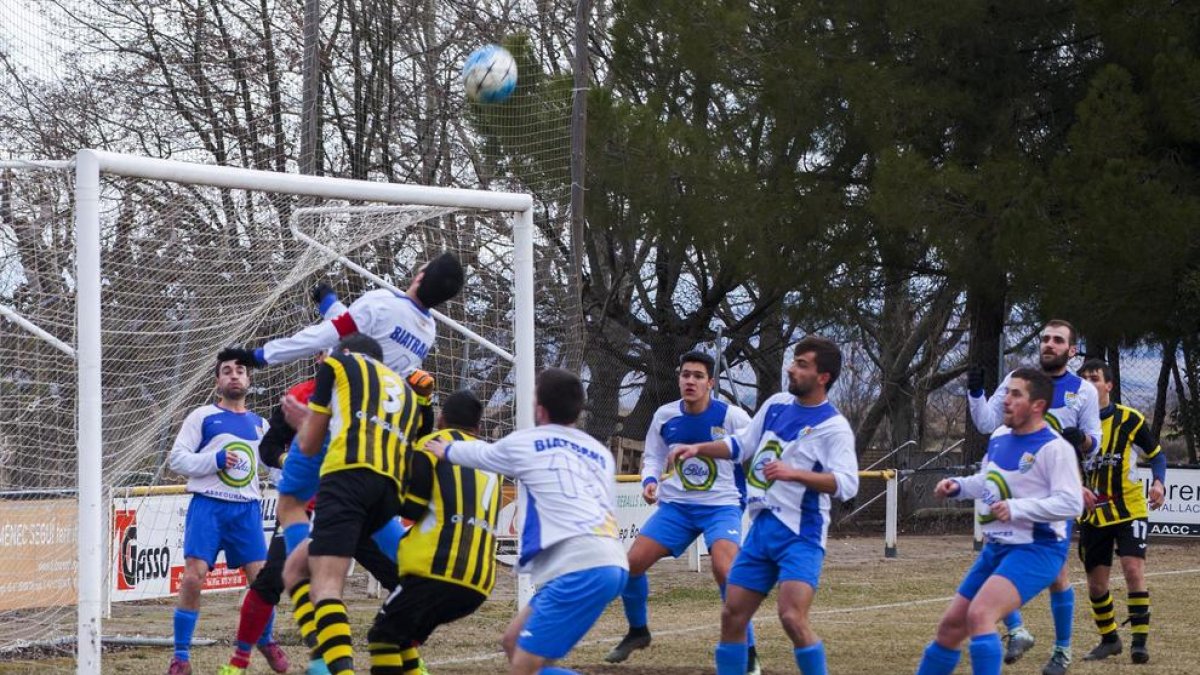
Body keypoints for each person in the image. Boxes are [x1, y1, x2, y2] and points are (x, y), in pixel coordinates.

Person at [668, 335, 860, 675]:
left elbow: (847, 484)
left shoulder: (834, 427)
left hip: (800, 534)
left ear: (823, 377)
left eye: (802, 364)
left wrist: (795, 474)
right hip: (761, 532)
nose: (792, 368)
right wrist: (698, 448)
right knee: (732, 614)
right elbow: (742, 444)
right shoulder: (776, 405)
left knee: (792, 617)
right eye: (793, 360)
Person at [424, 368, 628, 675]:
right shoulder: (600, 452)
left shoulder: (527, 442)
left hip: (580, 567)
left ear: (540, 409)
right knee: (513, 642)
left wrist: (445, 448)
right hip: (607, 559)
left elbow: (483, 453)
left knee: (523, 667)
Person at [218, 353, 411, 675]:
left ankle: (410, 661)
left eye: (341, 351)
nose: (333, 356)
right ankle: (238, 664)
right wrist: (291, 461)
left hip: (358, 507)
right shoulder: (299, 395)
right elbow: (268, 449)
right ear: (319, 358)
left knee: (403, 578)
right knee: (271, 581)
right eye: (326, 350)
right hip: (306, 509)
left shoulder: (377, 398)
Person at [916, 368, 1084, 675]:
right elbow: (987, 481)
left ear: (1038, 405)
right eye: (1006, 392)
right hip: (997, 548)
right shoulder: (1000, 437)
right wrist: (959, 486)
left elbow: (1071, 502)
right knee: (950, 628)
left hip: (1038, 549)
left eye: (1015, 394)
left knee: (980, 615)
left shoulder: (1055, 448)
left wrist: (1018, 508)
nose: (1005, 400)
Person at [605, 351, 759, 673]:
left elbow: (755, 446)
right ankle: (638, 631)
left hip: (722, 506)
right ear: (679, 379)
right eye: (685, 374)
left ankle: (748, 649)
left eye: (698, 376)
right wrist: (649, 481)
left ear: (711, 383)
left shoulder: (732, 417)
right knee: (631, 563)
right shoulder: (664, 416)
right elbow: (652, 456)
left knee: (725, 569)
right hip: (677, 507)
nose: (690, 381)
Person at [280, 334, 421, 675]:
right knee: (295, 569)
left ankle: (333, 665)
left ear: (343, 353)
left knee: (325, 585)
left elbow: (311, 445)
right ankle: (322, 654)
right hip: (389, 493)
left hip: (347, 482)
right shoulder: (406, 392)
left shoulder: (339, 365)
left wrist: (306, 424)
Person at [967, 319, 1101, 674]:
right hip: (1011, 486)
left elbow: (1094, 442)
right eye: (1044, 338)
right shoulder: (1018, 380)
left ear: (1071, 351)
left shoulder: (1082, 391)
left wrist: (1081, 441)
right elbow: (987, 423)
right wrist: (975, 393)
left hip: (1053, 490)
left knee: (1056, 573)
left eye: (1058, 340)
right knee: (996, 554)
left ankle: (1062, 651)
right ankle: (1016, 629)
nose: (1049, 345)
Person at [367, 389, 500, 673]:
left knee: (382, 637)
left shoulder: (431, 445)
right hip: (479, 582)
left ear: (441, 418)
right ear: (477, 427)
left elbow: (412, 509)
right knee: (403, 639)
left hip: (436, 571)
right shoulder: (491, 460)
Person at [165, 355, 270, 675]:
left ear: (248, 381)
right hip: (208, 506)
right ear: (217, 382)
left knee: (262, 583)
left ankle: (266, 640)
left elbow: (274, 468)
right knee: (194, 577)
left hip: (247, 510)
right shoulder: (203, 416)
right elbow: (177, 459)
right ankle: (181, 656)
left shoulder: (260, 424)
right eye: (227, 372)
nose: (234, 376)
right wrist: (215, 459)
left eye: (240, 371)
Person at [219, 251, 464, 377]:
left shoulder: (382, 303)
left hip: (342, 409)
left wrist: (261, 356)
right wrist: (331, 307)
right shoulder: (428, 330)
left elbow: (325, 337)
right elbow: (362, 333)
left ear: (420, 276)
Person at [1074, 359, 1167, 665]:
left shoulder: (1129, 419)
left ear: (1109, 385)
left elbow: (1156, 456)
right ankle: (1110, 639)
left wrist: (1158, 483)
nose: (1089, 383)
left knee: (1132, 569)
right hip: (1092, 513)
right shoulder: (1073, 425)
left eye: (1095, 378)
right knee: (1097, 584)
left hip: (1129, 509)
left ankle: (1139, 644)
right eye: (1084, 379)